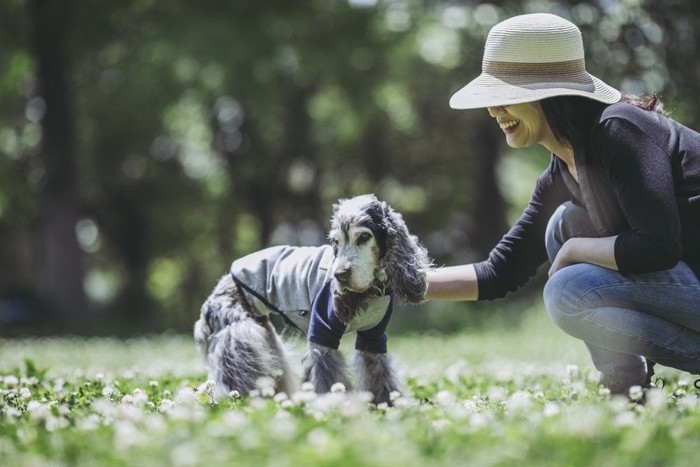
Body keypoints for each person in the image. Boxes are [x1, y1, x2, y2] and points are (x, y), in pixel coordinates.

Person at [424, 13, 700, 395]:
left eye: (506, 96)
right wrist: (397, 282)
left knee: (567, 290)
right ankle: (628, 389)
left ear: (548, 94)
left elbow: (657, 245)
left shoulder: (618, 131)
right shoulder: (563, 169)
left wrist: (575, 250)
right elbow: (501, 271)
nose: (493, 111)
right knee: (564, 223)